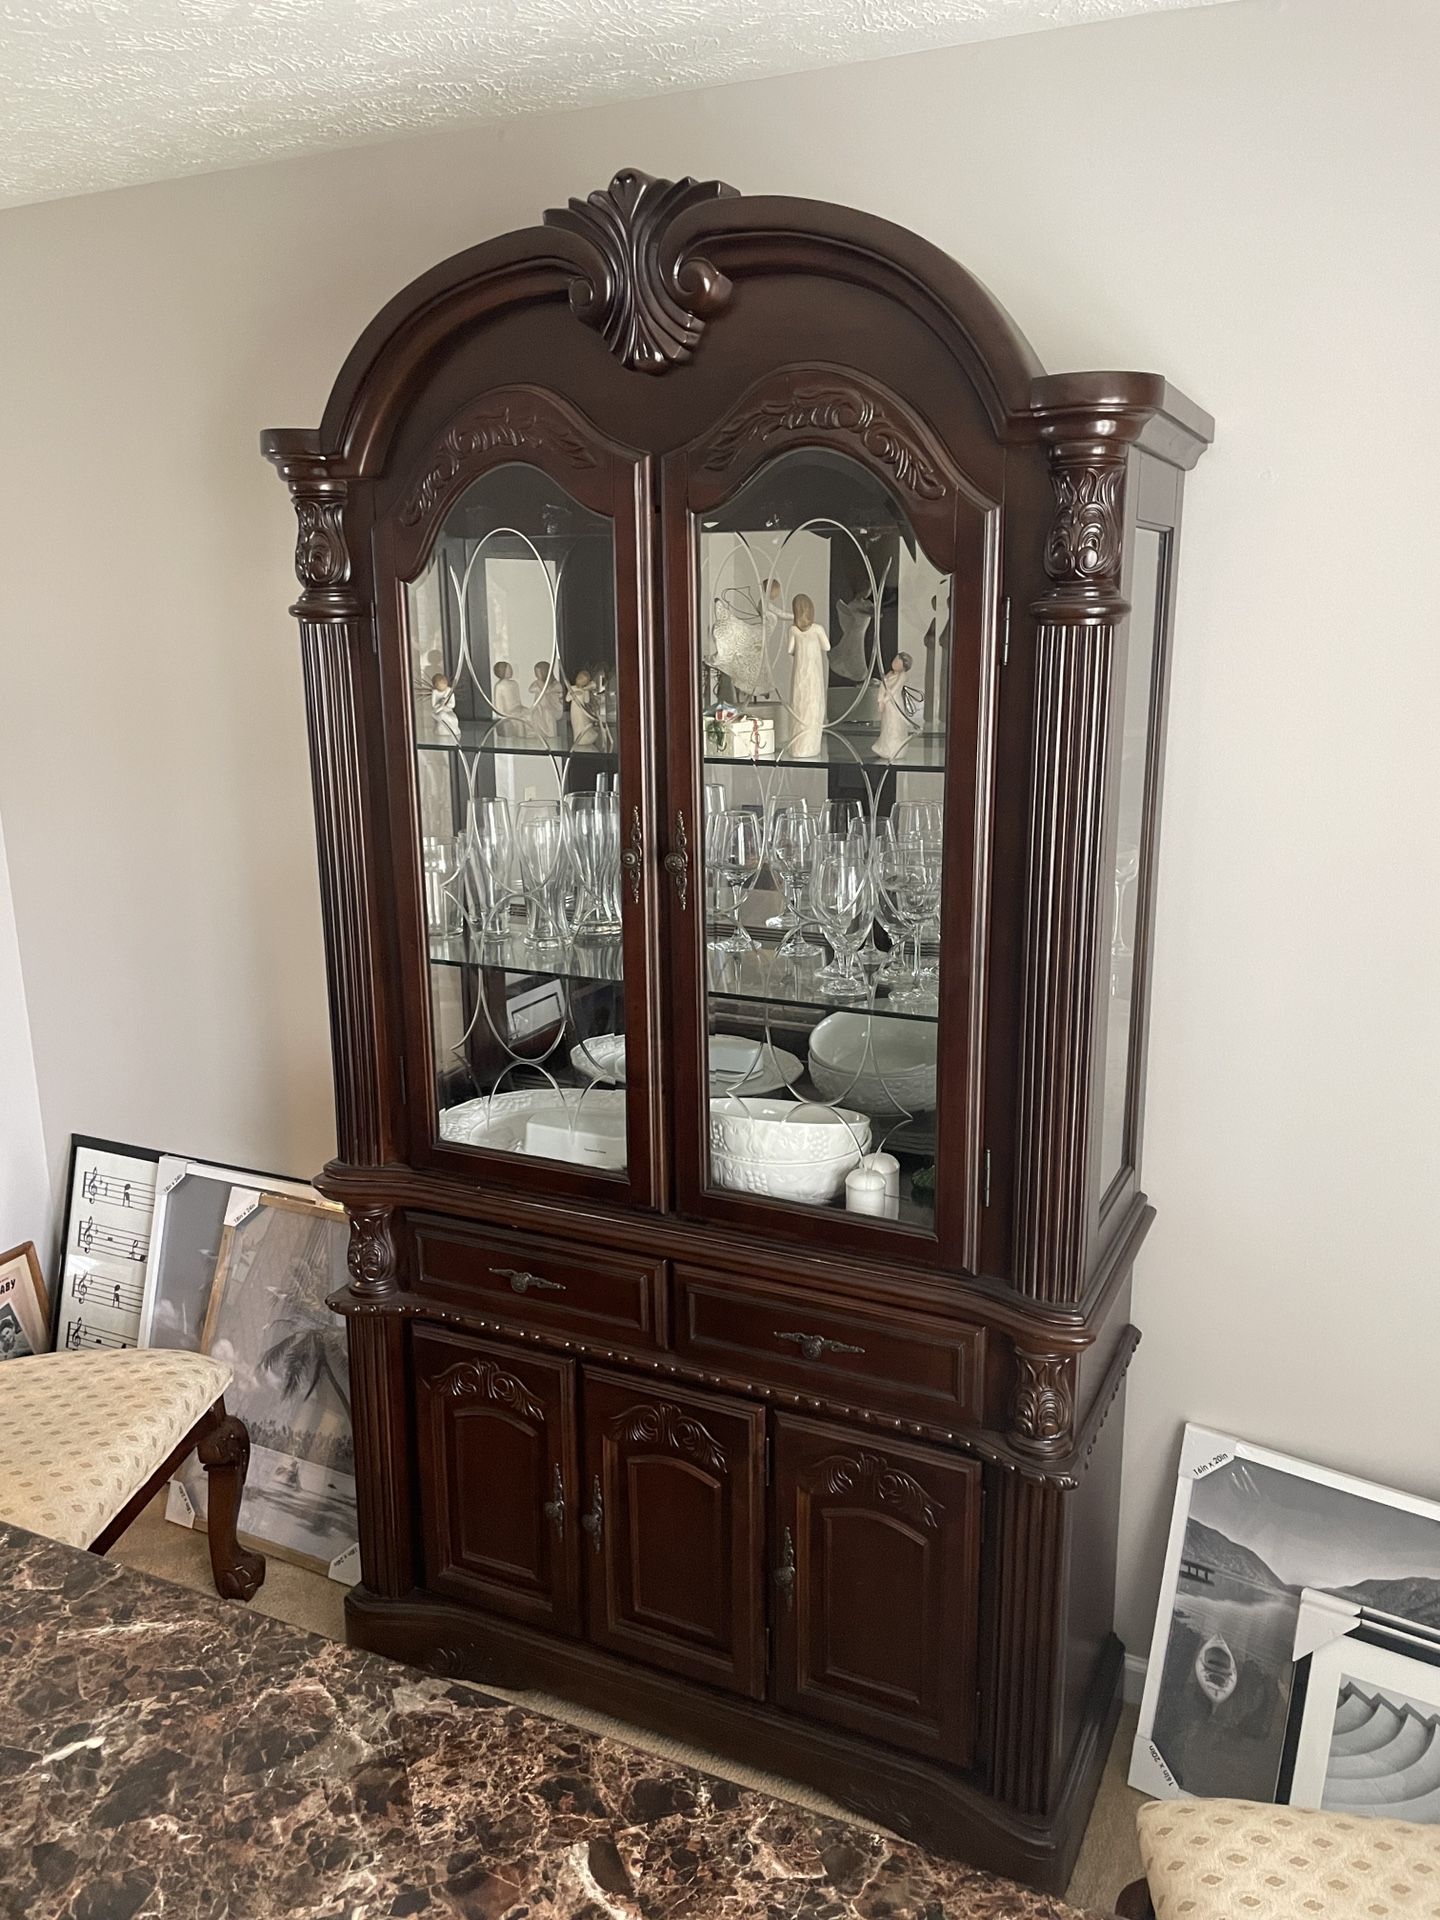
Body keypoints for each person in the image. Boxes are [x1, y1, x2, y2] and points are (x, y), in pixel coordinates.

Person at [786, 593, 830, 757]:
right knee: (811, 706)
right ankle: (809, 746)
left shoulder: (794, 630)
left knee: (801, 706)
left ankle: (800, 746)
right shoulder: (817, 629)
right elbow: (827, 646)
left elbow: (790, 650)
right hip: (813, 673)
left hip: (800, 673)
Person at [874, 651, 917, 760]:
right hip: (887, 704)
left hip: (894, 704)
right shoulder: (889, 674)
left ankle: (896, 749)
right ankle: (884, 748)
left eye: (898, 662)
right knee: (886, 725)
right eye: (894, 660)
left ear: (904, 666)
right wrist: (880, 700)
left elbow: (893, 690)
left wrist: (885, 700)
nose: (894, 663)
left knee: (894, 726)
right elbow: (883, 687)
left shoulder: (902, 676)